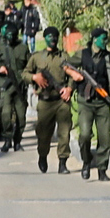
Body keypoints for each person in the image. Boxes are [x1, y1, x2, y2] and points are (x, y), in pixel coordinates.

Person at [67, 28, 110, 182]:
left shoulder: (109, 59)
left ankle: (102, 169)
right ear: (94, 39)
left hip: (103, 103)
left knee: (105, 137)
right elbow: (66, 65)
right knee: (85, 134)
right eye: (103, 38)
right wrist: (74, 74)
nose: (105, 41)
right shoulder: (83, 54)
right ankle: (86, 161)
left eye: (106, 39)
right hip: (85, 101)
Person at [23, 26, 73, 174]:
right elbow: (25, 73)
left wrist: (69, 89)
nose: (52, 39)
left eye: (54, 36)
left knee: (64, 132)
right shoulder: (37, 57)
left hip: (61, 101)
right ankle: (42, 155)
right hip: (45, 101)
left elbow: (72, 75)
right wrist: (34, 77)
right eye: (49, 36)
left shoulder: (64, 56)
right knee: (43, 133)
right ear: (44, 38)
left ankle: (62, 162)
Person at [0, 22, 29, 152]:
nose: (11, 37)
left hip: (20, 87)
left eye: (13, 35)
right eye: (9, 35)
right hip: (5, 85)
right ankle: (7, 139)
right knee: (6, 114)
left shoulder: (23, 48)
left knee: (21, 117)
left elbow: (30, 66)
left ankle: (17, 141)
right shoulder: (0, 47)